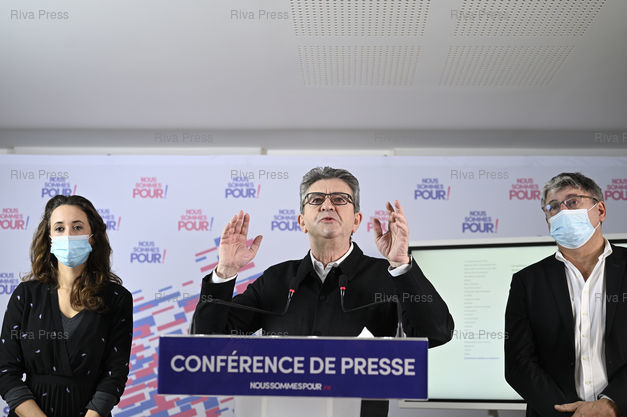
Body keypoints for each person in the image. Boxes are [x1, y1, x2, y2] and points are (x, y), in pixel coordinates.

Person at [191, 166, 454, 417]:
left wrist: (401, 264)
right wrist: (225, 271)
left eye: (339, 199)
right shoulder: (277, 279)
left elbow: (436, 333)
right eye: (316, 199)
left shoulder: (386, 276)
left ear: (356, 221)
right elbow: (208, 342)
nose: (327, 205)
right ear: (302, 222)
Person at [505, 172, 626, 417]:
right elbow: (519, 363)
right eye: (553, 207)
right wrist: (568, 414)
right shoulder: (527, 281)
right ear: (548, 221)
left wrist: (612, 403)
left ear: (600, 210)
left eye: (572, 202)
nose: (563, 211)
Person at [0, 195, 133, 417]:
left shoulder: (117, 298)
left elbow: (115, 374)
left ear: (92, 237)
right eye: (59, 228)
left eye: (77, 227)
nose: (68, 235)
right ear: (49, 238)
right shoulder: (26, 295)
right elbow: (5, 371)